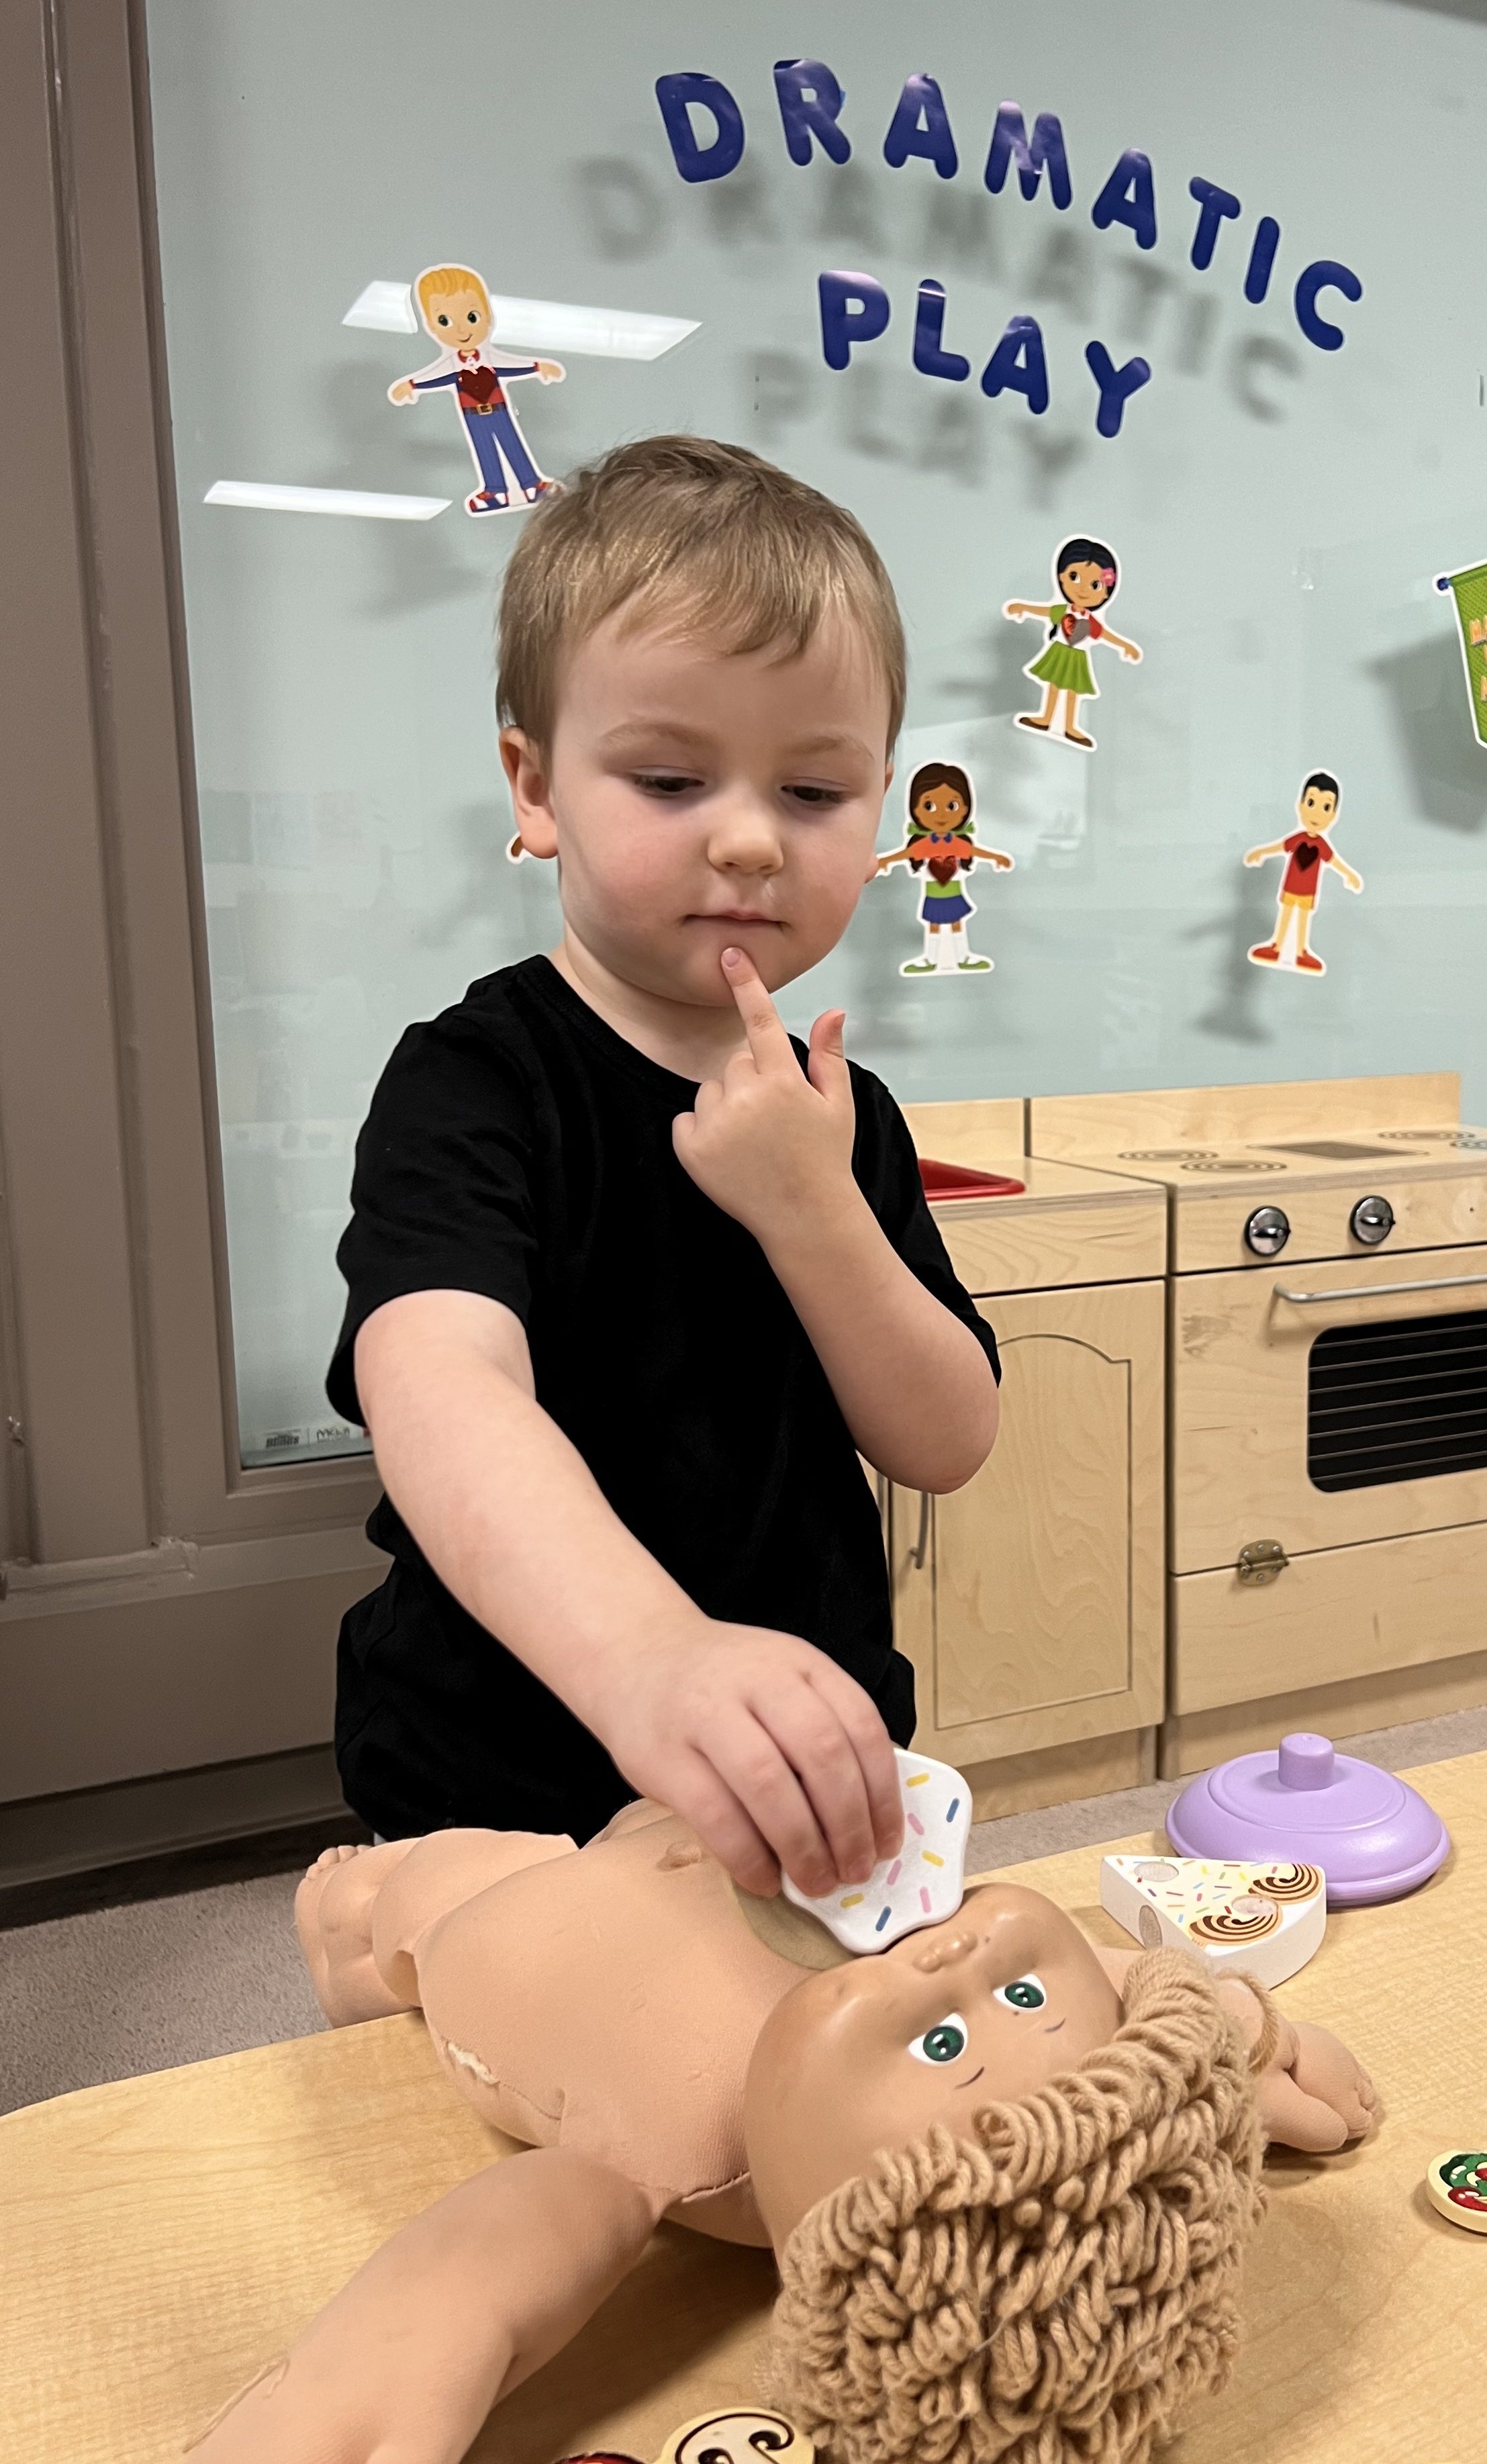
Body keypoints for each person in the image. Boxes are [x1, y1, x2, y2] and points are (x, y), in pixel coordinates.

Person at [326, 436, 1002, 1899]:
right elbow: (439, 1388)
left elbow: (947, 1435)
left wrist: (813, 1209)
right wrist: (648, 1654)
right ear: (536, 788)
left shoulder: (843, 1112)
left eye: (814, 791)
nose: (750, 839)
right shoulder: (476, 1080)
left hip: (803, 1769)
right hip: (500, 1781)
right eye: (671, 778)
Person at [161, 1817, 1378, 2464]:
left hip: (514, 1903)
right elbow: (1122, 2044)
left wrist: (361, 2367)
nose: (942, 1961)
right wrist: (1228, 2048)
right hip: (698, 1825)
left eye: (943, 2044)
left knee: (415, 1895)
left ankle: (352, 1944)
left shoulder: (685, 2149)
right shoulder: (991, 1983)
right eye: (1018, 1991)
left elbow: (506, 2248)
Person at [389, 263, 565, 516]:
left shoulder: (491, 359)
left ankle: (531, 484)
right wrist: (413, 385)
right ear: (432, 327)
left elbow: (510, 366)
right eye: (445, 321)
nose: (462, 330)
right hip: (473, 415)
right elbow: (439, 377)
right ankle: (494, 491)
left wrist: (537, 367)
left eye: (472, 317)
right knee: (485, 450)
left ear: (488, 316)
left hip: (499, 409)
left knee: (512, 443)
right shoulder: (452, 364)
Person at [871, 760, 1012, 975]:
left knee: (956, 923)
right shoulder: (926, 844)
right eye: (929, 806)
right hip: (933, 894)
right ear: (915, 809)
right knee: (934, 924)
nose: (941, 815)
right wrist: (884, 861)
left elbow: (974, 852)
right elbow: (907, 854)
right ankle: (931, 958)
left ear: (965, 809)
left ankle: (962, 956)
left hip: (953, 891)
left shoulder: (955, 843)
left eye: (952, 806)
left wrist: (996, 857)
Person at [1002, 534, 1143, 747]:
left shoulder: (1090, 621)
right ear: (1062, 577)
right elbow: (1044, 611)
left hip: (1076, 658)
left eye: (1095, 585)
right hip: (1059, 653)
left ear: (1105, 594)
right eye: (1074, 577)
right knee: (1053, 686)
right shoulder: (1062, 611)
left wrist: (1125, 645)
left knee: (1072, 692)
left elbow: (1104, 634)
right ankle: (1046, 718)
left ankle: (1070, 726)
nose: (1083, 589)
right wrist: (1023, 607)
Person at [1244, 771, 1363, 976]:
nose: (1317, 814)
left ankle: (1301, 952)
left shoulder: (1322, 845)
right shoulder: (1298, 839)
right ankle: (1277, 946)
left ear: (1334, 815)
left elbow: (1334, 861)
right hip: (1290, 887)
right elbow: (1280, 847)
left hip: (1308, 892)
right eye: (1311, 803)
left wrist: (1349, 874)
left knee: (1303, 919)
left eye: (1326, 807)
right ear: (1300, 806)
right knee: (1286, 913)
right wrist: (1260, 852)